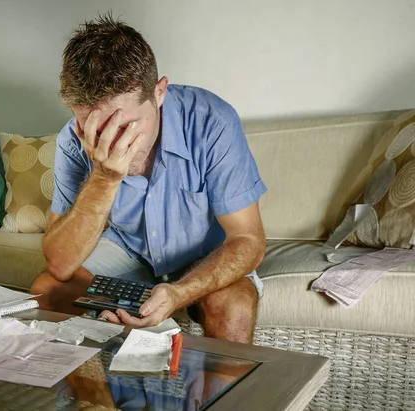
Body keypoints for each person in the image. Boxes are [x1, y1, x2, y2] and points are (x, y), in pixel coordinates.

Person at [30, 14, 267, 344]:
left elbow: (249, 240)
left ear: (159, 92)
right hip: (131, 254)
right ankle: (97, 398)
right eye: (94, 128)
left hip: (205, 256)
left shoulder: (212, 121)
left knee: (233, 304)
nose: (110, 144)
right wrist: (104, 177)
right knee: (48, 289)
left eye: (124, 127)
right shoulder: (73, 139)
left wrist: (179, 292)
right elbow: (59, 263)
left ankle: (227, 397)